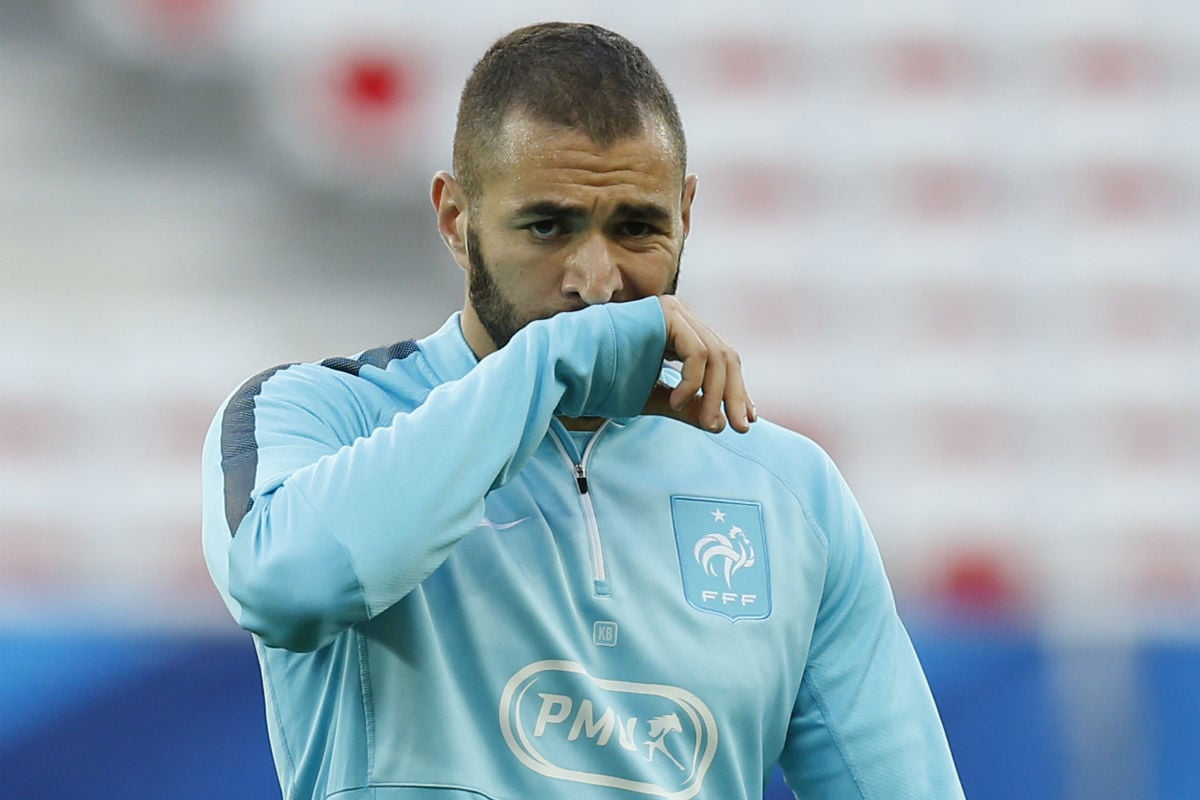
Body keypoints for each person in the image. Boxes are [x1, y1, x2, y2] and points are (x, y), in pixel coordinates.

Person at [202, 21, 964, 800]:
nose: (597, 282)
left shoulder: (791, 492)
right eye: (547, 227)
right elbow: (286, 589)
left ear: (687, 214)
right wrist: (551, 364)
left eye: (636, 227)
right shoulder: (321, 416)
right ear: (455, 219)